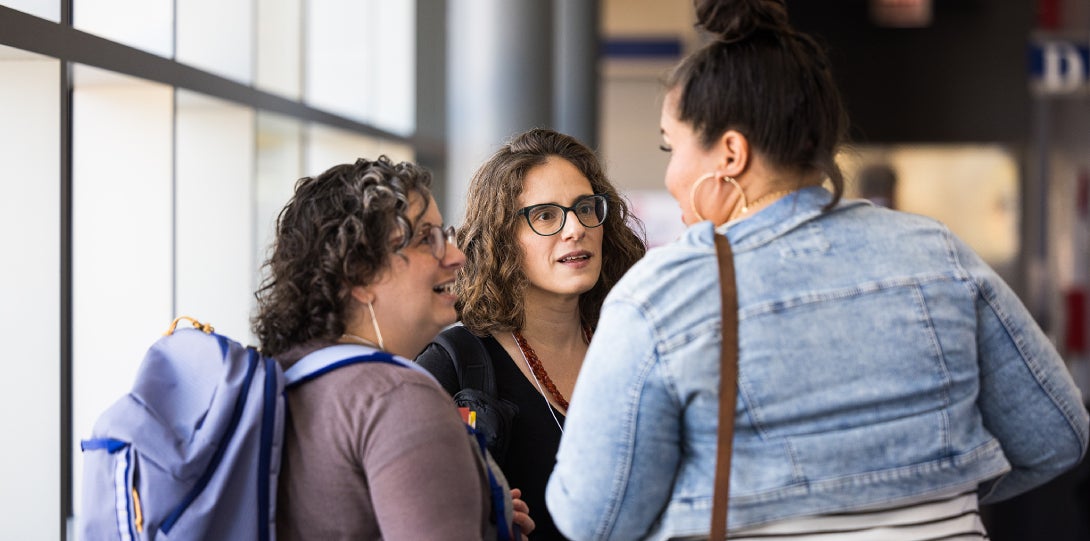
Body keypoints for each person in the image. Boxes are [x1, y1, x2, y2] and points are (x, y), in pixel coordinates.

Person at [546, 1, 1090, 540]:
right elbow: (1055, 437)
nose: (671, 173)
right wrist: (937, 497)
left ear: (731, 153)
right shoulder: (938, 254)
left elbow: (593, 518)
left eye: (674, 146)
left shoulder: (663, 294)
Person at [252, 156, 534, 540]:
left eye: (444, 234)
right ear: (359, 275)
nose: (457, 256)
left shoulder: (286, 376)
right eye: (425, 239)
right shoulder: (398, 398)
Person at [416, 128, 646, 540]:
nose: (575, 228)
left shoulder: (635, 349)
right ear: (502, 239)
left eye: (585, 208)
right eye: (545, 215)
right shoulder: (454, 363)